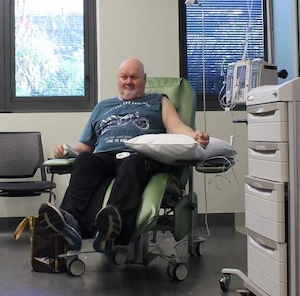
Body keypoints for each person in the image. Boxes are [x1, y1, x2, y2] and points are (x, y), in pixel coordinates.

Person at [40, 58, 209, 253]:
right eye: (124, 77)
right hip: (104, 156)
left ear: (144, 79)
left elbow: (176, 127)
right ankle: (71, 223)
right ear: (118, 79)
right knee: (85, 160)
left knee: (133, 162)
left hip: (139, 156)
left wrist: (194, 136)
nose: (128, 81)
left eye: (134, 77)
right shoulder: (102, 107)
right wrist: (66, 150)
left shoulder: (158, 101)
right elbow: (86, 144)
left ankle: (114, 227)